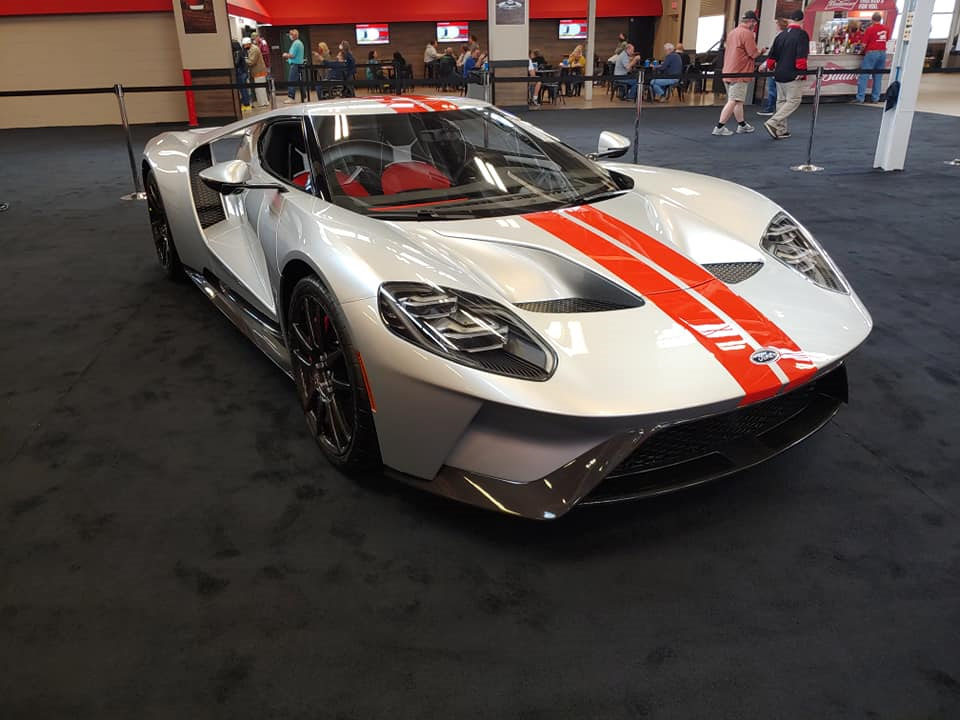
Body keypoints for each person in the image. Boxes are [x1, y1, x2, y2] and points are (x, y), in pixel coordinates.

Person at [712, 11, 764, 135]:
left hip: (728, 70)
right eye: (755, 22)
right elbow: (753, 54)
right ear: (751, 22)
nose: (755, 25)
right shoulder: (747, 34)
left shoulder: (733, 32)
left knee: (738, 101)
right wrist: (761, 51)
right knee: (733, 100)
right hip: (740, 72)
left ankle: (742, 125)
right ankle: (719, 127)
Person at [763, 10, 809, 140]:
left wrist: (771, 67)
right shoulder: (802, 35)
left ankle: (781, 129)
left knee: (781, 101)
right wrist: (801, 71)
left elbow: (772, 55)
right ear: (802, 20)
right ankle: (773, 122)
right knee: (794, 100)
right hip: (792, 73)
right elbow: (801, 55)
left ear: (790, 20)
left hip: (778, 72)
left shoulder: (781, 35)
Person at [856, 12, 889, 104]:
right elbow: (886, 40)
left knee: (864, 75)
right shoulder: (886, 29)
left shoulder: (870, 29)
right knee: (878, 77)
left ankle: (860, 98)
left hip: (872, 53)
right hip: (883, 53)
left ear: (872, 19)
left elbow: (863, 44)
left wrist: (860, 51)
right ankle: (876, 98)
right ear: (880, 19)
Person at [758, 18, 788, 116]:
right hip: (782, 67)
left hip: (775, 67)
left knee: (772, 88)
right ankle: (777, 108)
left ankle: (770, 108)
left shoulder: (778, 38)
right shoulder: (787, 37)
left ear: (779, 26)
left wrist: (764, 65)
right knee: (778, 89)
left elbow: (773, 54)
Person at [282, 28, 305, 103]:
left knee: (291, 81)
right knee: (300, 82)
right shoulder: (299, 43)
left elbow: (292, 55)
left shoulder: (296, 43)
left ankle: (291, 97)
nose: (289, 36)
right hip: (298, 64)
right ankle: (304, 96)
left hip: (295, 65)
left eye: (290, 34)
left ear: (294, 35)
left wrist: (286, 55)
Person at [244, 36, 269, 107]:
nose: (244, 46)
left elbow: (251, 62)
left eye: (245, 45)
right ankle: (265, 102)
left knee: (259, 89)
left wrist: (244, 59)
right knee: (261, 88)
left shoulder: (254, 49)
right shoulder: (253, 48)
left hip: (258, 71)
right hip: (259, 71)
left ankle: (262, 103)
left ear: (248, 44)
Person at [233, 38, 251, 111]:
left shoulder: (237, 52)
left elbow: (236, 63)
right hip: (244, 72)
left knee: (243, 90)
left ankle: (246, 104)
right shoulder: (241, 51)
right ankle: (246, 103)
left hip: (241, 73)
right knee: (244, 89)